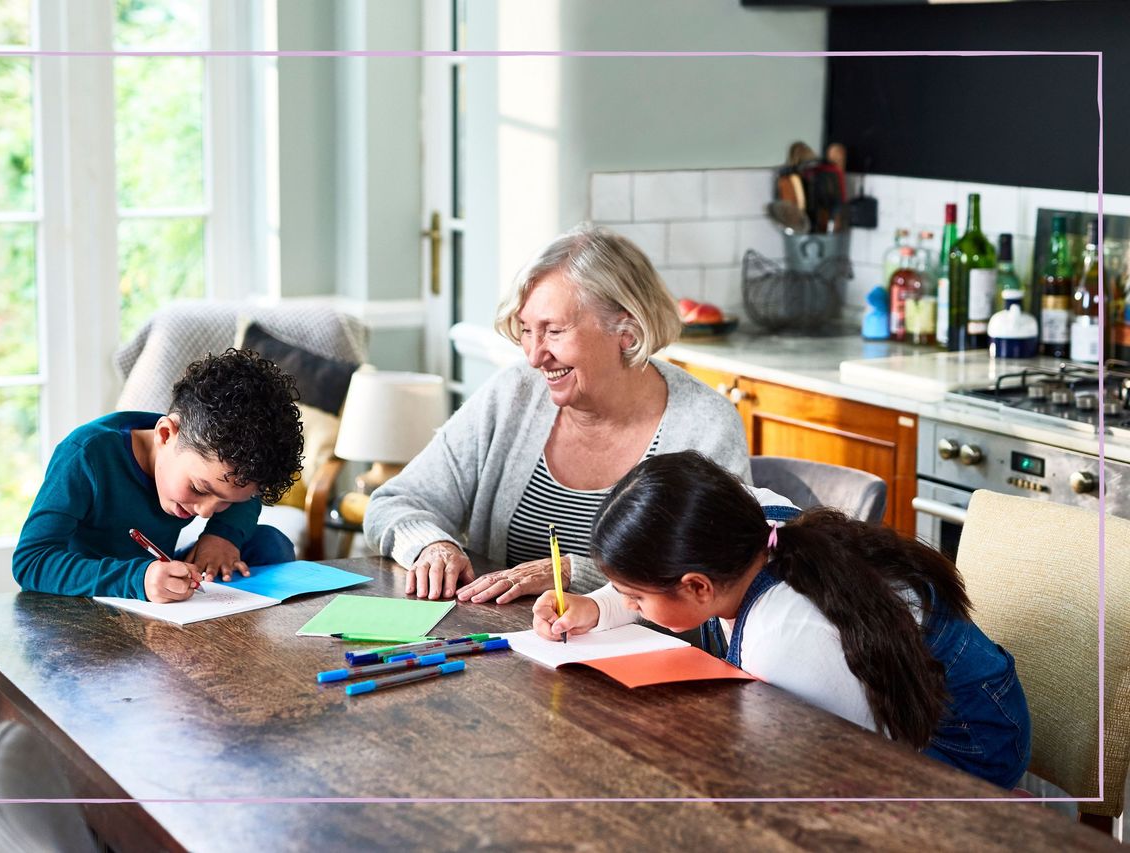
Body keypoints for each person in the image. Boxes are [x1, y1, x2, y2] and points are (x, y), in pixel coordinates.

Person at [533, 451, 1031, 789]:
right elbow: (656, 576)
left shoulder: (785, 639)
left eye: (634, 598)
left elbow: (846, 765)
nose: (631, 605)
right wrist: (598, 607)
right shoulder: (743, 522)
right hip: (901, 696)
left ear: (698, 586)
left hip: (966, 743)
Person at [364, 224, 750, 602]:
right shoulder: (514, 393)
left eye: (554, 331)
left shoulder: (705, 424)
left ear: (627, 331)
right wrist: (432, 545)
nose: (534, 357)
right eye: (527, 330)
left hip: (642, 659)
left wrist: (570, 573)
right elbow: (393, 502)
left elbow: (720, 573)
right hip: (499, 651)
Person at [13, 348, 304, 603]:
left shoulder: (212, 463)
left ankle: (231, 635)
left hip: (160, 581)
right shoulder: (87, 455)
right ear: (165, 434)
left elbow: (243, 496)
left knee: (269, 543)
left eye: (225, 501)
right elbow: (31, 561)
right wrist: (137, 579)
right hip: (90, 596)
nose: (205, 512)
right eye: (199, 488)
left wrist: (222, 535)